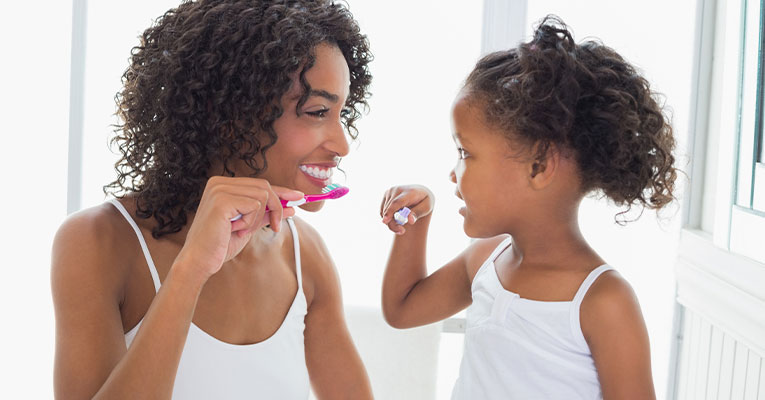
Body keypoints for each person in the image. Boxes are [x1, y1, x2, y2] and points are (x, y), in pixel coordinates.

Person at [51, 1, 373, 398]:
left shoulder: (306, 254)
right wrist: (191, 269)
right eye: (317, 110)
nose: (342, 144)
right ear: (231, 114)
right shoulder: (98, 241)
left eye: (342, 113)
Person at [379, 16, 676, 400]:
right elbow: (402, 310)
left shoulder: (604, 301)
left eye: (466, 153)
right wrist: (417, 222)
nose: (453, 174)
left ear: (539, 166)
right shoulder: (485, 259)